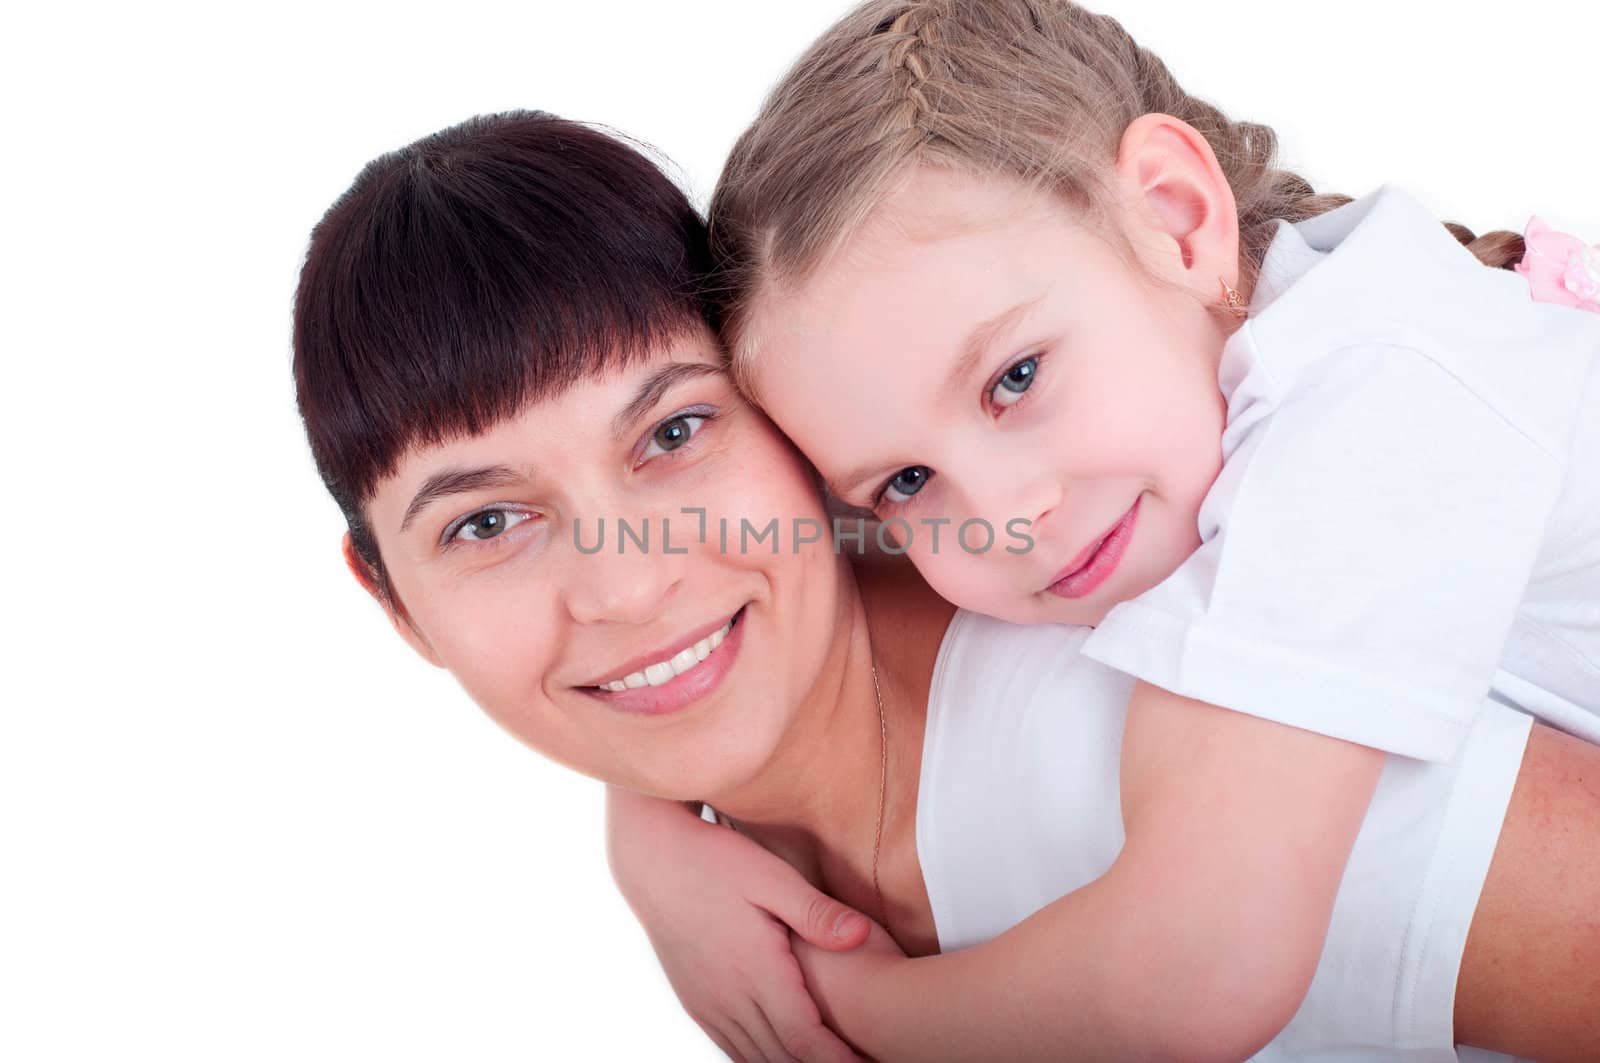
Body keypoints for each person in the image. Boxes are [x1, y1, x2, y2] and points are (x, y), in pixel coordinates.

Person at [292, 110, 1599, 1062]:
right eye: (488, 522)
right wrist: (648, 828)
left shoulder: (1177, 729)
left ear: (793, 426)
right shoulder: (745, 845)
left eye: (677, 434)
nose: (625, 587)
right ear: (394, 600)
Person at [609, 0, 1600, 1057]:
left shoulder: (1380, 403)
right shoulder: (1276, 334)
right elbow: (774, 570)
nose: (1002, 516)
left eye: (1015, 378)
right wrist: (648, 820)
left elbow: (1197, 969)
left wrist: (836, 1002)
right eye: (905, 480)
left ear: (1175, 216)